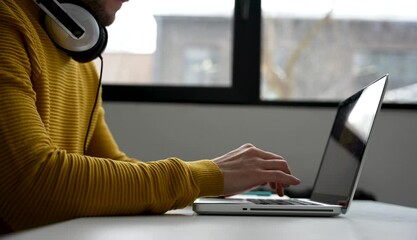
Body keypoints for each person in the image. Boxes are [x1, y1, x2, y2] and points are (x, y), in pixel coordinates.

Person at [0, 0, 301, 233]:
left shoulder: (80, 58)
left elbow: (114, 168)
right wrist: (207, 177)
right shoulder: (8, 24)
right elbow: (30, 185)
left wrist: (213, 191)